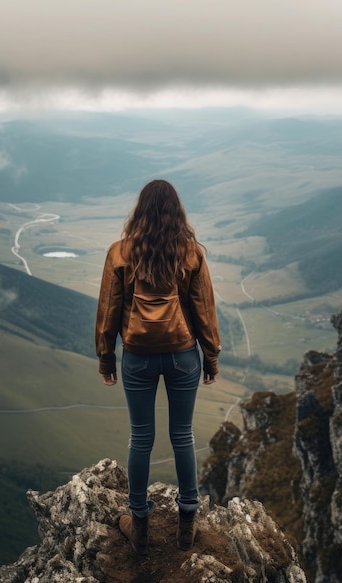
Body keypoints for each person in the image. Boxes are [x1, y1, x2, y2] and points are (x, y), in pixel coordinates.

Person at [95, 179, 220, 555]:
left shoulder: (119, 253)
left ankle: (140, 525)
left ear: (140, 211)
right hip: (183, 355)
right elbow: (204, 310)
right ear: (176, 212)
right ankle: (187, 523)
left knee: (141, 438)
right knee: (182, 435)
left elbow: (108, 311)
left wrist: (106, 356)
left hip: (137, 357)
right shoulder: (191, 253)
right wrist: (210, 356)